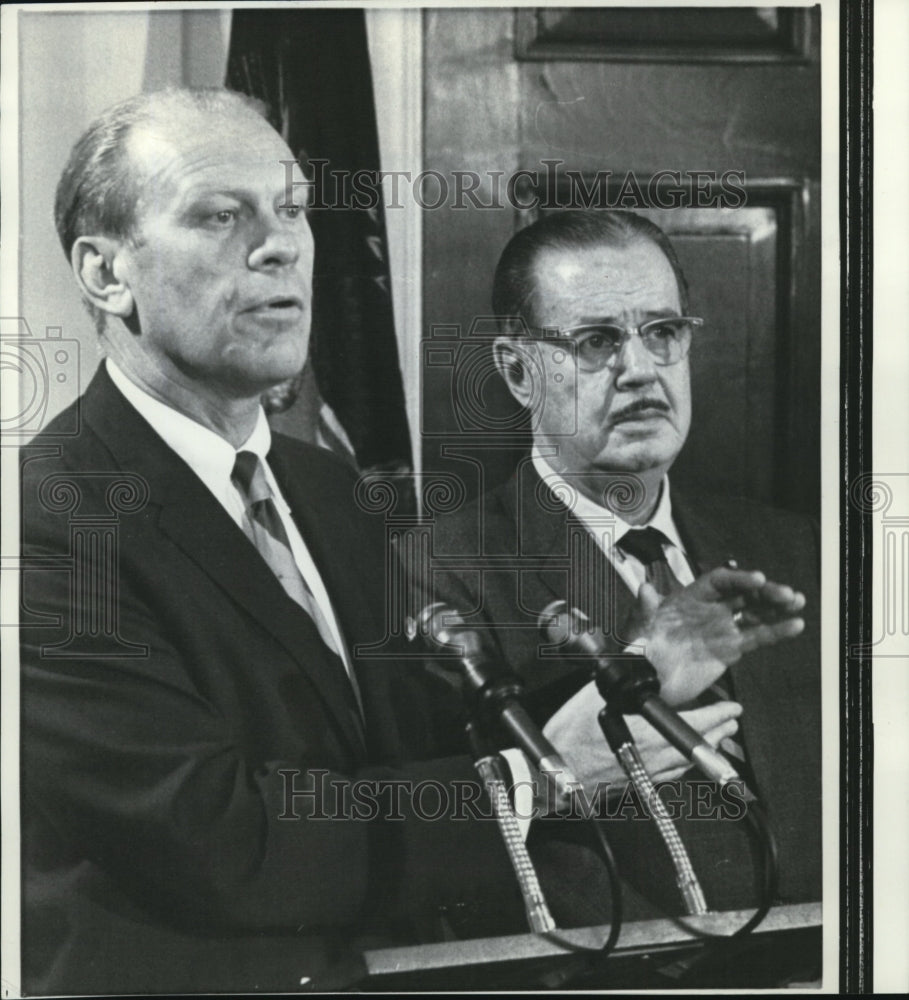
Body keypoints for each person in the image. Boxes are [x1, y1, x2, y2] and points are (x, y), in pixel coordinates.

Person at [20, 91, 808, 993]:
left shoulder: (327, 492)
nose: (279, 245)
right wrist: (540, 780)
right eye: (219, 215)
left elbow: (411, 740)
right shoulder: (48, 522)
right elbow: (223, 844)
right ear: (105, 273)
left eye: (292, 209)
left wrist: (636, 672)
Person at [422, 210, 821, 924]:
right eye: (596, 341)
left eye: (662, 332)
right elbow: (428, 843)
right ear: (517, 372)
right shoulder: (435, 573)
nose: (639, 370)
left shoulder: (799, 550)